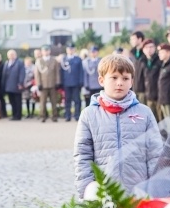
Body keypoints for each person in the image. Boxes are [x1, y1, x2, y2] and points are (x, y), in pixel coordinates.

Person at [73, 54, 162, 198]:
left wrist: (154, 187)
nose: (120, 83)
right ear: (101, 80)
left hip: (138, 190)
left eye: (125, 78)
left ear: (132, 81)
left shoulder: (144, 113)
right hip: (103, 191)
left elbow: (155, 152)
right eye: (114, 78)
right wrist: (87, 189)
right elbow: (82, 155)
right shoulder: (89, 115)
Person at [34, 45, 61, 122]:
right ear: (42, 52)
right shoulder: (39, 61)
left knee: (54, 101)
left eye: (47, 50)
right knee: (42, 102)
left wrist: (57, 82)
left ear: (49, 51)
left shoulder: (54, 60)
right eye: (44, 51)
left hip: (52, 84)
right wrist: (38, 83)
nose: (46, 52)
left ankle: (54, 116)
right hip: (43, 84)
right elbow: (37, 73)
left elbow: (57, 72)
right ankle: (43, 116)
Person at [60, 43, 84, 121]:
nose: (70, 50)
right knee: (67, 100)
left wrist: (81, 81)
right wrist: (61, 82)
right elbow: (61, 72)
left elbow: (81, 71)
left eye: (72, 49)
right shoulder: (63, 59)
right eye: (69, 49)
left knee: (77, 100)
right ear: (66, 50)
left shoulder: (78, 59)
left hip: (76, 83)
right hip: (66, 83)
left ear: (74, 49)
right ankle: (68, 115)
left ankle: (77, 115)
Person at [138, 39, 161, 118]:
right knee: (151, 118)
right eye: (147, 47)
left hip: (159, 96)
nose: (149, 49)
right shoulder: (142, 61)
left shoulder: (159, 60)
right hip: (148, 95)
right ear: (143, 49)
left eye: (151, 47)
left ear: (155, 48)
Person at [1, 49, 26, 120]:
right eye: (9, 55)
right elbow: (4, 75)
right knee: (11, 101)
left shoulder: (19, 62)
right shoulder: (7, 63)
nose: (11, 56)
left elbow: (22, 73)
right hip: (8, 86)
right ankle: (14, 114)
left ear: (15, 55)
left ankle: (18, 115)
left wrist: (20, 83)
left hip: (17, 85)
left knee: (17, 101)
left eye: (12, 54)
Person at [156, 43, 170, 121]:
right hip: (163, 99)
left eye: (162, 52)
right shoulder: (163, 65)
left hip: (169, 99)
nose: (159, 54)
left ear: (168, 53)